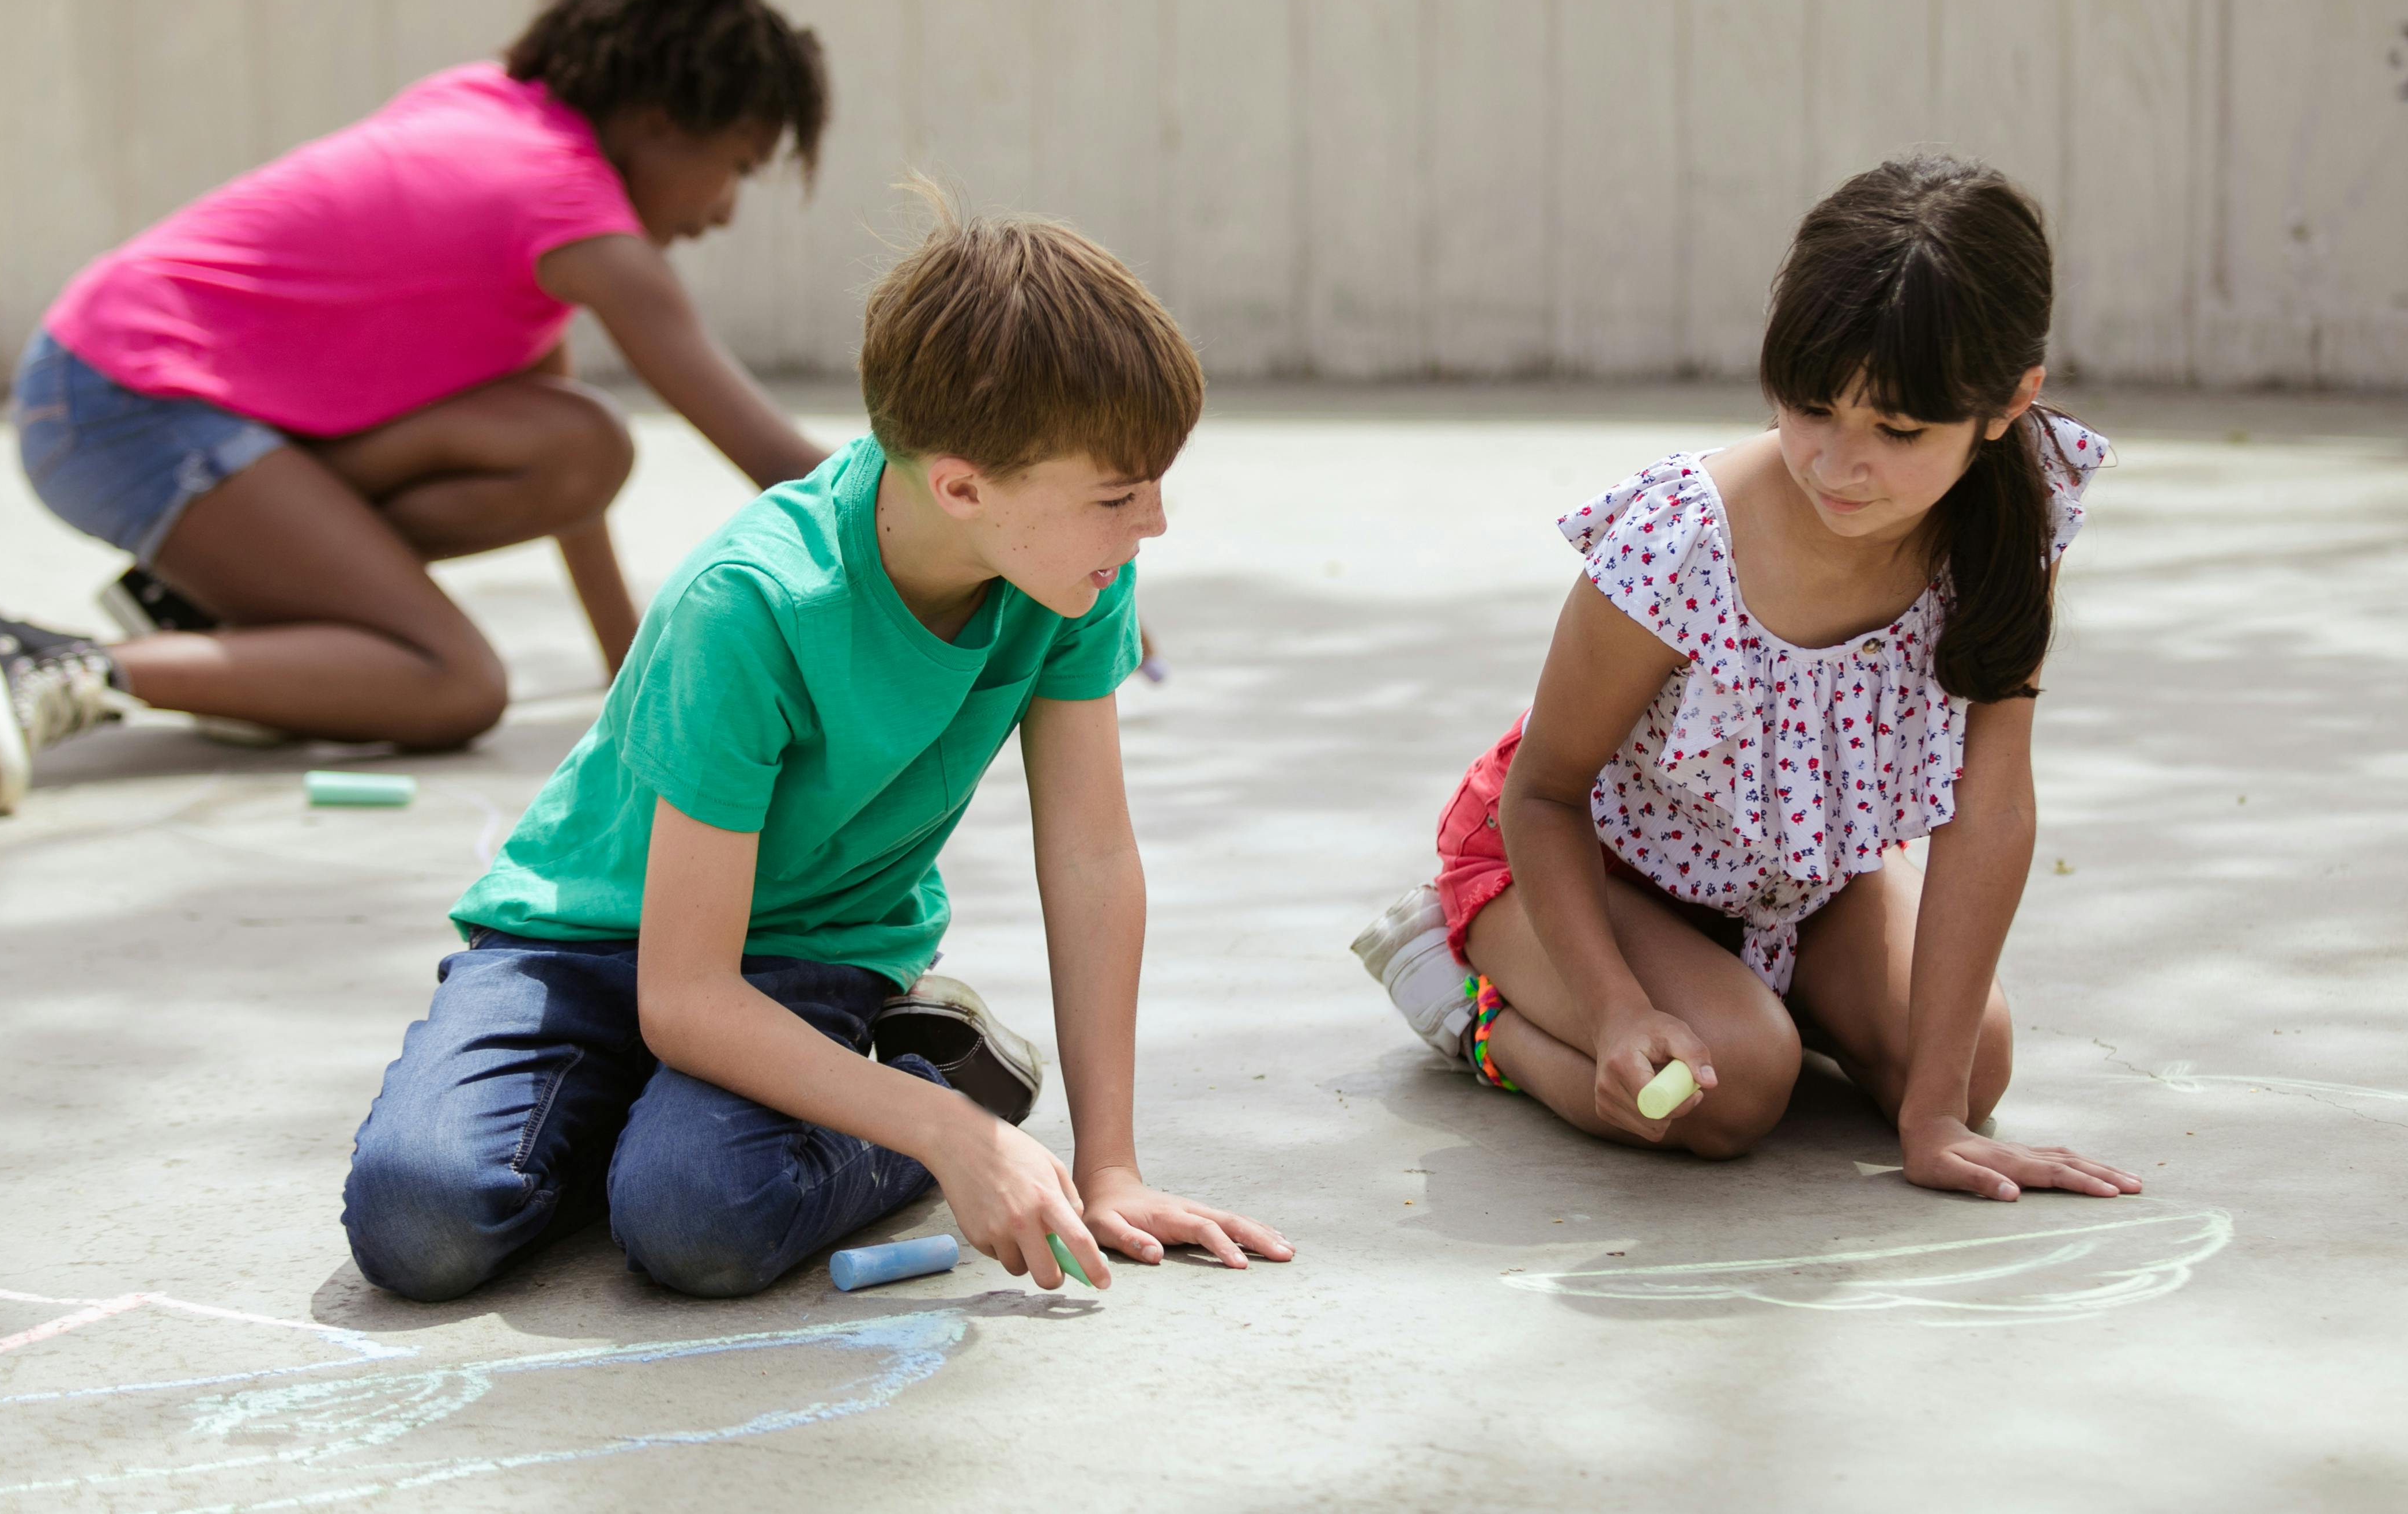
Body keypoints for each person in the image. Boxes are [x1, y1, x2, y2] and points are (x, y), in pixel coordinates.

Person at [339, 193, 1293, 1300]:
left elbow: (1088, 856)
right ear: (962, 488)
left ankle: (853, 1090)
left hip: (810, 949)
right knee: (421, 1221)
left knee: (697, 1219)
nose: (1153, 526)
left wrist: (1112, 1167)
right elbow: (683, 996)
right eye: (1120, 495)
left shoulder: (1074, 573)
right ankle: (927, 1099)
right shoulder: (750, 604)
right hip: (582, 947)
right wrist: (947, 1134)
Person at [1355, 154, 2143, 1205]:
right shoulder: (1685, 540)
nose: (1836, 464)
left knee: (1969, 1065)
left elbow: (1990, 805)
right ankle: (1473, 1006)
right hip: (1588, 871)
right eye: (1811, 407)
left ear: (2009, 405)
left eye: (1899, 433)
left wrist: (1936, 1115)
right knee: (1727, 1092)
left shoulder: (2011, 514)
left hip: (1799, 883)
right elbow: (1543, 792)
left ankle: (1769, 993)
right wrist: (1613, 1013)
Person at [0, 0, 829, 812]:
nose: (723, 212)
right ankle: (61, 661)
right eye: (737, 169)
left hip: (115, 380)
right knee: (454, 684)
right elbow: (770, 456)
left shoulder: (494, 112)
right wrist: (944, 572)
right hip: (127, 399)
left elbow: (554, 429)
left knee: (576, 443)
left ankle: (207, 600)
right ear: (662, 124)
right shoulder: (573, 214)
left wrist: (624, 660)